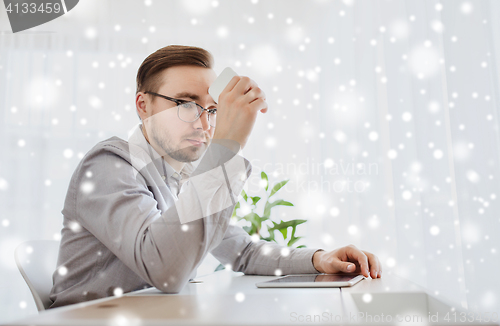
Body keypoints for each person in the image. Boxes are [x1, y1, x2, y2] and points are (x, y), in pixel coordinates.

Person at [49, 44, 382, 308]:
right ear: (143, 105)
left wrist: (319, 259)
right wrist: (227, 145)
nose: (205, 124)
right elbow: (164, 269)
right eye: (185, 103)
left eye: (211, 109)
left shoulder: (179, 177)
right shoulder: (109, 164)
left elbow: (242, 251)